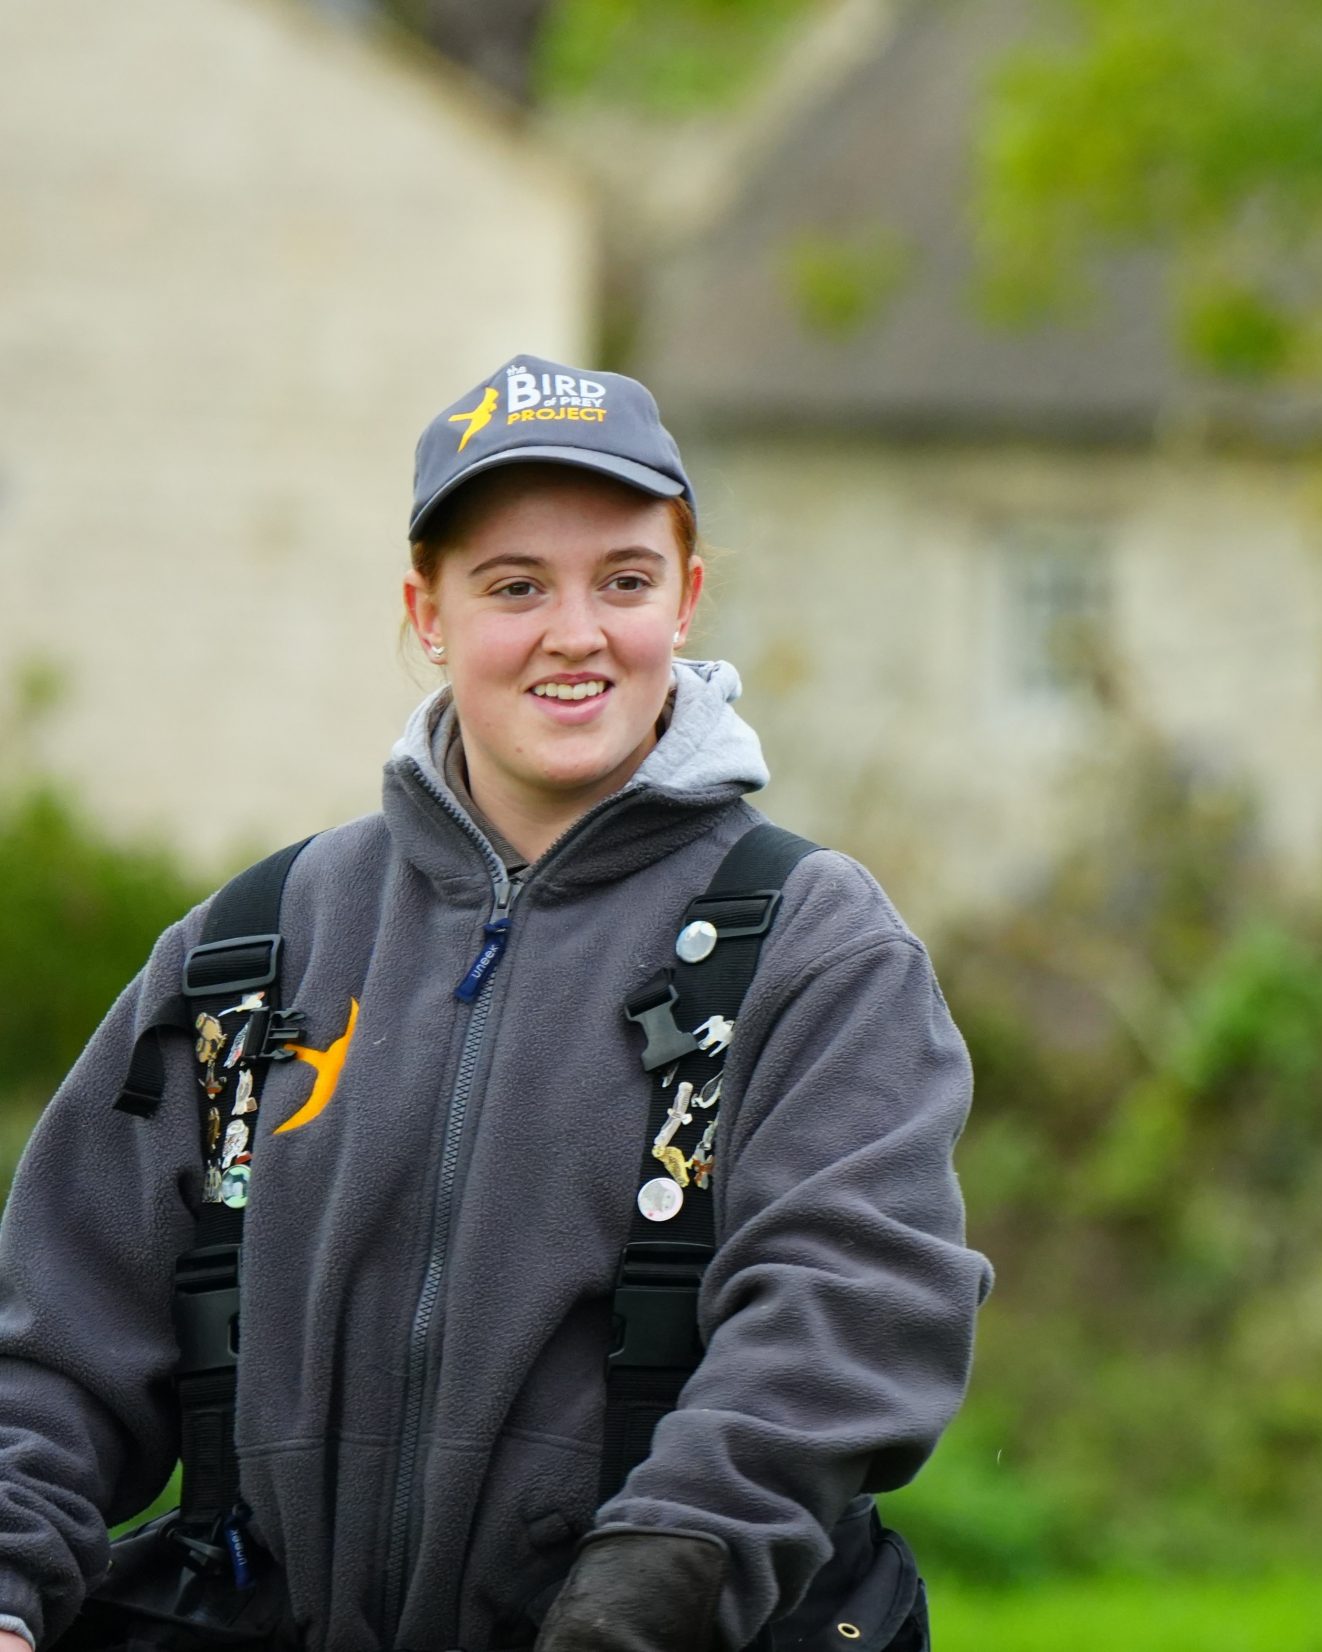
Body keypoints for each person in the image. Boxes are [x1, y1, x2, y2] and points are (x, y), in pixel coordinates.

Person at [0, 357, 992, 1651]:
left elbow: (855, 1314)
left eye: (624, 581)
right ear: (428, 611)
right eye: (515, 585)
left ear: (687, 600)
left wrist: (653, 1597)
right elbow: (55, 1342)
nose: (575, 633)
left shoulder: (818, 947)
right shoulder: (251, 947)